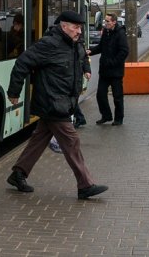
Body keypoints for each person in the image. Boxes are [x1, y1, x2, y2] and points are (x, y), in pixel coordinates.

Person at [6, 10, 108, 200]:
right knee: (72, 141)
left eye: (80, 28)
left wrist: (86, 69)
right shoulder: (49, 44)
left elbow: (82, 58)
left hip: (64, 101)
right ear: (64, 26)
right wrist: (14, 92)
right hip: (52, 102)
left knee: (39, 139)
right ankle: (85, 185)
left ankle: (18, 173)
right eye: (76, 27)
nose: (79, 31)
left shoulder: (74, 44)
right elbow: (22, 63)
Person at [87, 13, 129, 126]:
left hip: (116, 72)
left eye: (107, 21)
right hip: (104, 71)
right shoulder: (106, 32)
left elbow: (124, 51)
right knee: (100, 95)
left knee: (117, 97)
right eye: (105, 21)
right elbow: (101, 47)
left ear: (114, 22)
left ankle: (118, 119)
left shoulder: (120, 33)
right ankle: (106, 116)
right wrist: (90, 51)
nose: (105, 23)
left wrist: (113, 62)